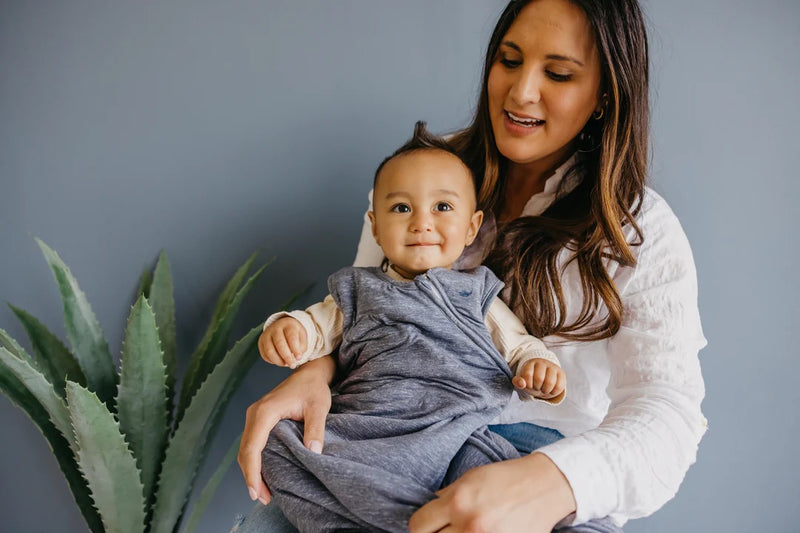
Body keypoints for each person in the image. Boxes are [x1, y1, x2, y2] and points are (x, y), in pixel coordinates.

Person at [235, 0, 707, 531]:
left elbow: (666, 412)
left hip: (532, 465)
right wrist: (313, 368)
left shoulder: (638, 229)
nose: (521, 92)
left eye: (558, 74)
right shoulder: (416, 176)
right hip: (383, 436)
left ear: (604, 95)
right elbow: (370, 305)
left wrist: (550, 482)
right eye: (509, 60)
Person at [257, 122, 567, 532]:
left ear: (471, 227)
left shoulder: (475, 292)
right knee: (277, 445)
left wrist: (538, 366)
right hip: (367, 425)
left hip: (453, 427)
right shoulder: (357, 289)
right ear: (376, 227)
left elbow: (519, 345)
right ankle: (398, 518)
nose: (422, 222)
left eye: (442, 207)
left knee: (488, 473)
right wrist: (287, 329)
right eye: (402, 208)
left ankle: (401, 516)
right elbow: (315, 328)